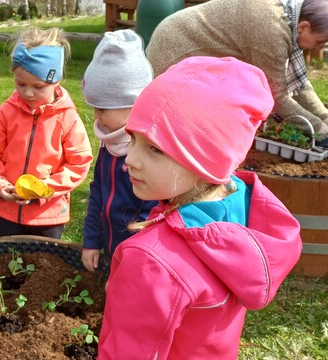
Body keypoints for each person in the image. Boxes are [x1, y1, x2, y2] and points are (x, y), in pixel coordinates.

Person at [98, 56, 303, 359]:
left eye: (155, 148)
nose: (130, 160)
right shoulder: (243, 209)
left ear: (205, 159)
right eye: (133, 139)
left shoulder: (150, 261)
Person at [146, 0, 328, 146]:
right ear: (303, 27)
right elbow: (277, 96)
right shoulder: (271, 28)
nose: (318, 47)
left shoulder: (288, 16)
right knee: (183, 130)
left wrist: (324, 116)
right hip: (174, 49)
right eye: (319, 42)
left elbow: (298, 84)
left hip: (192, 50)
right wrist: (321, 131)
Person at [0, 27, 93, 239]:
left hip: (49, 215)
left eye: (38, 86)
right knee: (4, 262)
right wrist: (0, 186)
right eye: (20, 83)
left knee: (44, 267)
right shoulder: (6, 112)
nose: (28, 92)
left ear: (56, 81)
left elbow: (79, 162)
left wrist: (45, 189)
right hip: (7, 212)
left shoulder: (67, 117)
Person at [81, 29, 157, 272]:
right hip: (109, 248)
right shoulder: (109, 145)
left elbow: (150, 217)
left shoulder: (149, 157)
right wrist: (91, 241)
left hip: (136, 259)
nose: (96, 115)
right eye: (94, 107)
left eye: (102, 108)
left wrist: (129, 262)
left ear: (133, 105)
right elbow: (97, 195)